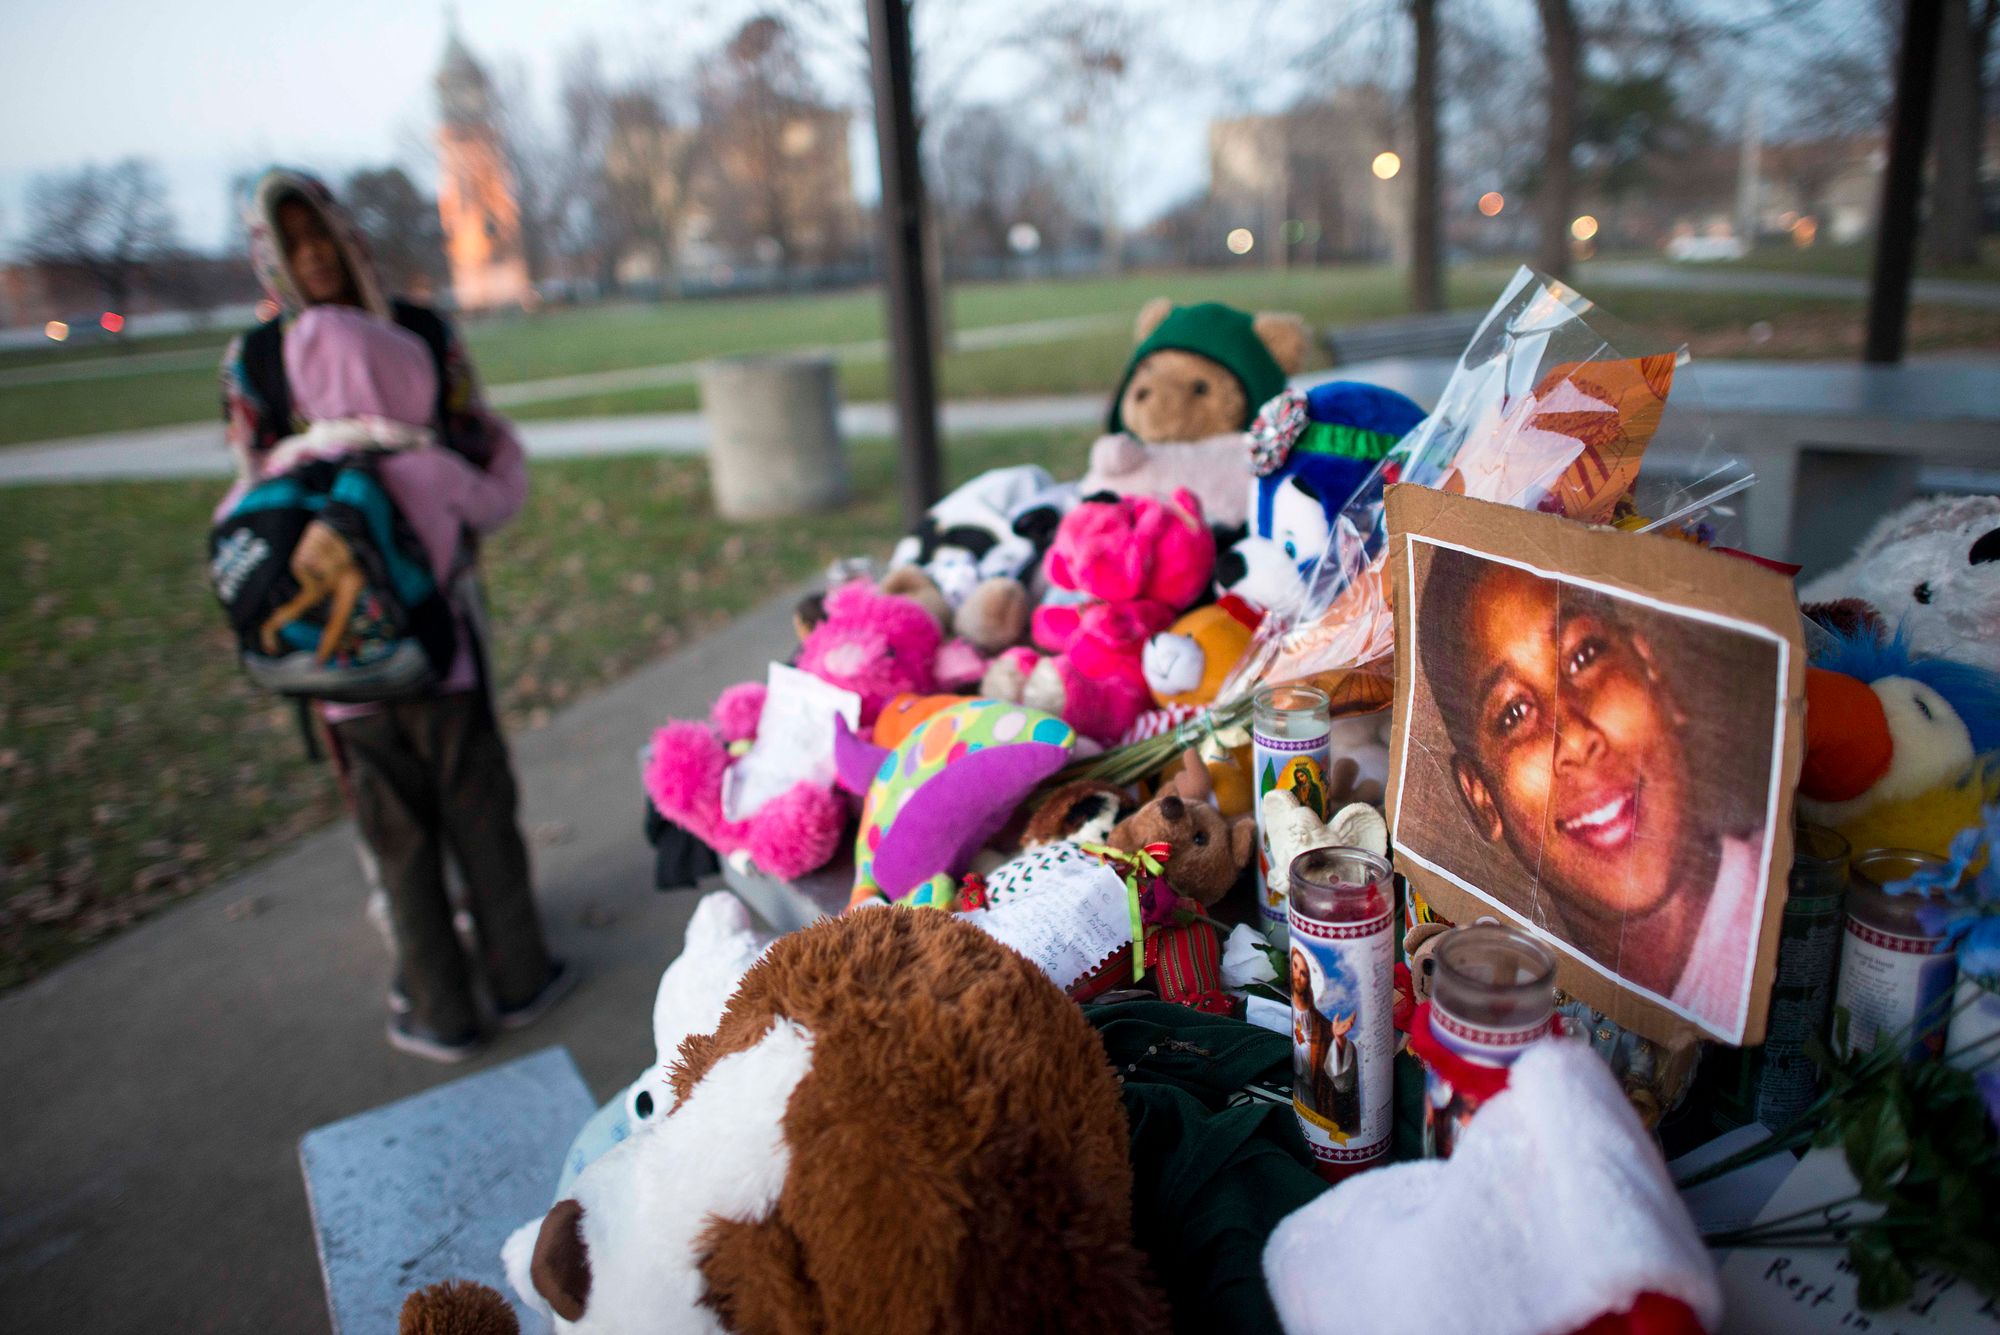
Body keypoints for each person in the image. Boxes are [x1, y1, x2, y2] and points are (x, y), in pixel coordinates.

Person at [217, 168, 569, 1061]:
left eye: (320, 235)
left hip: (340, 675)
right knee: (478, 802)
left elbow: (243, 525)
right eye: (293, 243)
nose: (312, 256)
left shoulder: (283, 443)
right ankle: (521, 972)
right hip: (438, 649)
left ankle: (438, 1004)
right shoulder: (422, 444)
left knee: (397, 835)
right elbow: (493, 482)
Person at [1415, 546, 1762, 1033]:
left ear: (1652, 674)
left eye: (1583, 655)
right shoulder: (1512, 1005)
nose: (1575, 737)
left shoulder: (1778, 936)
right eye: (1514, 713)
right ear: (1482, 798)